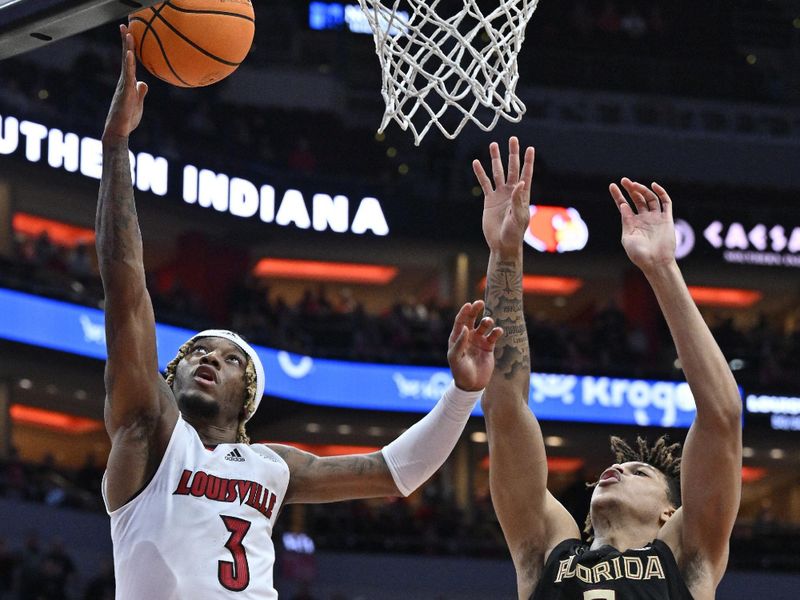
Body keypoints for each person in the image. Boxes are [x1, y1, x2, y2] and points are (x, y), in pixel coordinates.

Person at [98, 26, 504, 599]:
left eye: (229, 357)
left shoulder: (275, 465)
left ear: (250, 393)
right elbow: (125, 289)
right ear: (170, 375)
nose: (208, 359)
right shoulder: (150, 432)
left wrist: (462, 394)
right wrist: (117, 148)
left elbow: (397, 471)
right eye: (195, 353)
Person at [472, 138, 742, 599]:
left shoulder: (684, 556)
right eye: (620, 469)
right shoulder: (547, 553)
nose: (611, 473)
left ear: (669, 513)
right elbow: (505, 410)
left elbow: (722, 416)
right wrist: (506, 253)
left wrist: (661, 268)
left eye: (638, 473)